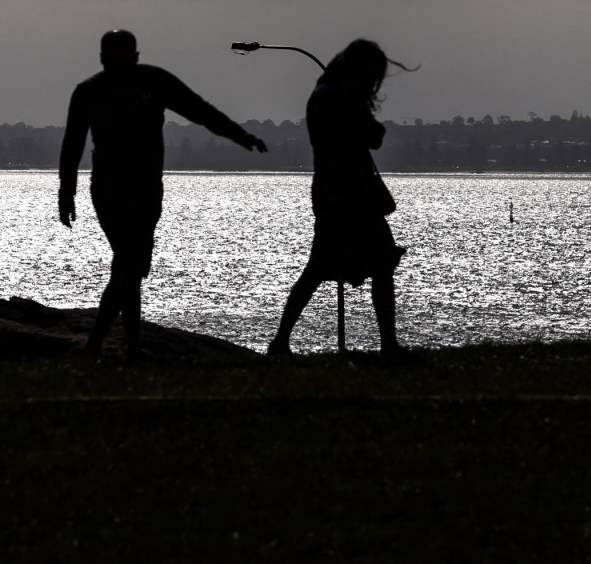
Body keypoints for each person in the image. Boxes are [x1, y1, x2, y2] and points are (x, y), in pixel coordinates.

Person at [58, 29, 267, 359]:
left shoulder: (153, 82)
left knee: (131, 265)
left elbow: (200, 111)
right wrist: (65, 193)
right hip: (110, 190)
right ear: (102, 59)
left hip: (146, 190)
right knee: (129, 263)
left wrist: (240, 136)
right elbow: (72, 145)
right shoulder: (88, 92)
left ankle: (130, 346)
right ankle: (100, 345)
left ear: (135, 57)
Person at [268, 39, 411, 359]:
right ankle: (281, 342)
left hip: (346, 194)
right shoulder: (333, 99)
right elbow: (370, 136)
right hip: (341, 196)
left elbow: (369, 136)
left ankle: (388, 344)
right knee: (321, 269)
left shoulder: (331, 96)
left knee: (376, 264)